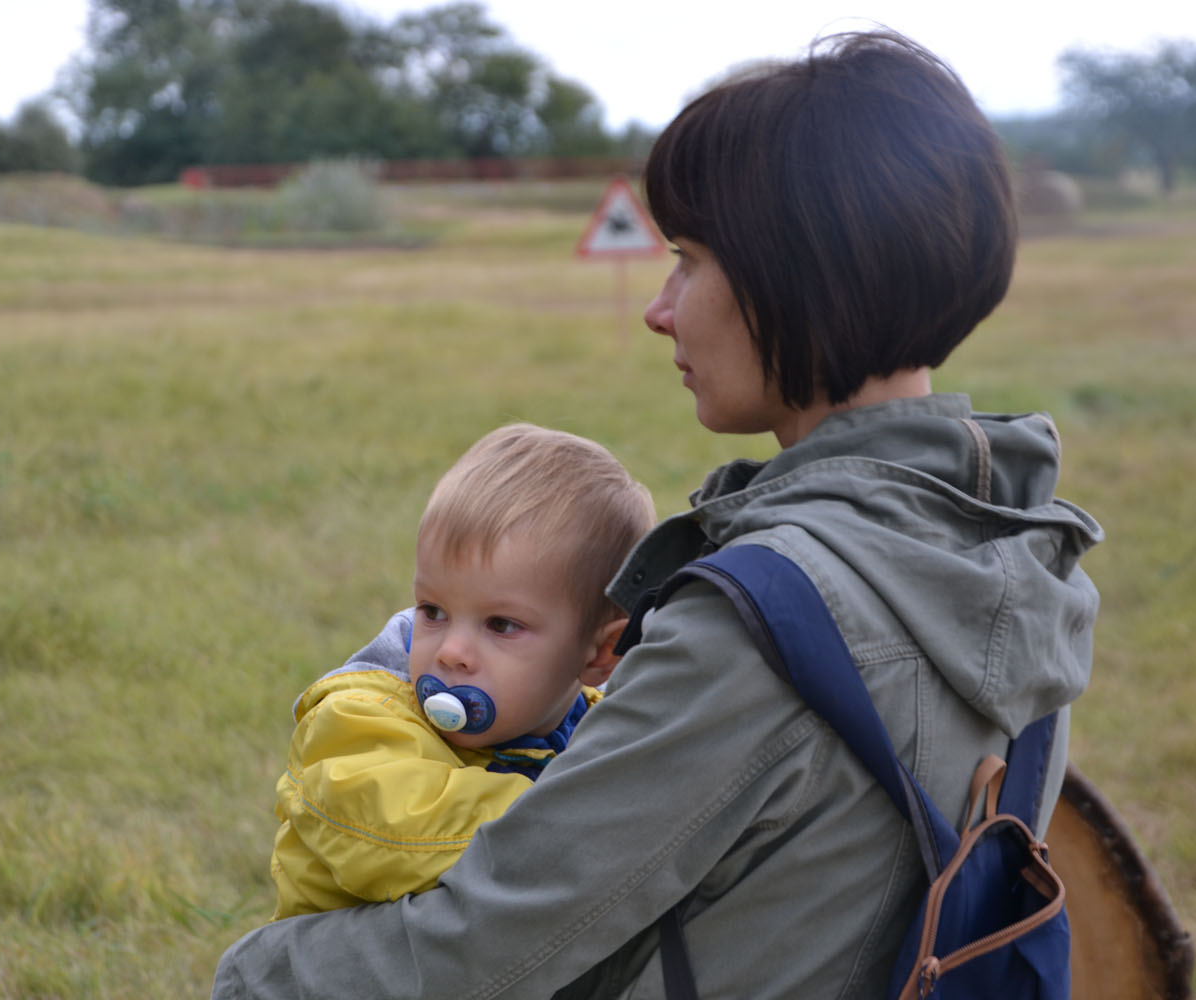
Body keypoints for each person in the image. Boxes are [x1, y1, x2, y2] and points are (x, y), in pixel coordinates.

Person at [214, 30, 1102, 999]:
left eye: (688, 260)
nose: (659, 307)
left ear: (788, 277)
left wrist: (253, 971)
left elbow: (480, 949)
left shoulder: (768, 622)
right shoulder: (1023, 557)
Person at [270, 422, 657, 919]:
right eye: (432, 610)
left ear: (599, 654)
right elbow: (395, 832)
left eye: (500, 625)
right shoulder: (359, 721)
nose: (451, 650)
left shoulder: (595, 733)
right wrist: (577, 814)